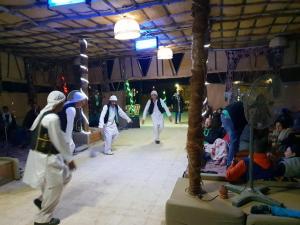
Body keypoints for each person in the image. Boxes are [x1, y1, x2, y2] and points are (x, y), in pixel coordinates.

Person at [23, 91, 76, 225]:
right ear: (58, 103)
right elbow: (59, 140)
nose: (63, 105)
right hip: (46, 158)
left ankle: (41, 200)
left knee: (65, 175)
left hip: (40, 156)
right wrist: (69, 159)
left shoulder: (43, 114)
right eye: (62, 103)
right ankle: (42, 219)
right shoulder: (52, 118)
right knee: (55, 187)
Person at [221, 101, 248, 166]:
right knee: (234, 140)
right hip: (228, 116)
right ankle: (230, 164)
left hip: (226, 115)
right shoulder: (248, 109)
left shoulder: (245, 106)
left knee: (234, 140)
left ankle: (231, 160)